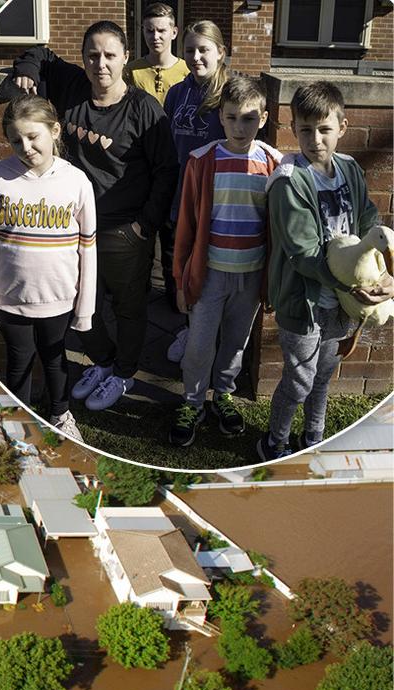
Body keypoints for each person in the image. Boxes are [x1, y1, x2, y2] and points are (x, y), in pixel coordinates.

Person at [12, 21, 178, 412]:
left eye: (109, 55)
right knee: (76, 300)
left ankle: (124, 371)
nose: (99, 63)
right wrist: (28, 72)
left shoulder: (143, 109)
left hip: (124, 230)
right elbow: (41, 53)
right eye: (92, 54)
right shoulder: (72, 88)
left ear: (124, 59)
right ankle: (103, 362)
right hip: (71, 228)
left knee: (128, 306)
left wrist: (144, 225)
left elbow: (167, 169)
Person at [259, 81, 394, 461]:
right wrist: (351, 286)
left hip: (342, 303)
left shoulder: (350, 170)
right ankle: (275, 442)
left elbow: (369, 221)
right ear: (293, 127)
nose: (315, 139)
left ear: (343, 127)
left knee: (324, 374)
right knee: (300, 380)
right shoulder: (289, 181)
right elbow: (303, 253)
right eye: (305, 129)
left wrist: (382, 276)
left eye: (324, 129)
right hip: (305, 303)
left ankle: (313, 436)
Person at [0, 95, 97, 442]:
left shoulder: (77, 182)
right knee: (18, 362)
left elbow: (88, 250)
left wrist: (85, 310)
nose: (25, 147)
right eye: (15, 140)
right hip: (10, 301)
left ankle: (60, 413)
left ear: (54, 131)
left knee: (56, 360)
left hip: (58, 299)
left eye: (33, 136)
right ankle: (17, 425)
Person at [169, 75, 281, 447]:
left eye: (248, 119)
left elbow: (279, 231)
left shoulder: (274, 165)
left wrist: (273, 283)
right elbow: (185, 225)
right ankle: (192, 402)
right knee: (200, 344)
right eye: (232, 117)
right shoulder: (201, 161)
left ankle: (225, 394)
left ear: (263, 119)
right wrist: (181, 278)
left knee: (236, 341)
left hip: (250, 276)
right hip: (210, 274)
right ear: (220, 116)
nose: (239, 126)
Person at [162, 20, 232, 326]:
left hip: (218, 198)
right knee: (181, 264)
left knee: (211, 270)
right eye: (189, 50)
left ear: (220, 52)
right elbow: (167, 145)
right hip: (181, 192)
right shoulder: (177, 93)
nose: (196, 57)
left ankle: (206, 333)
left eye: (204, 49)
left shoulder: (230, 94)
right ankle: (185, 329)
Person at [124, 3, 188, 107]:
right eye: (150, 31)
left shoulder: (187, 71)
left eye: (161, 31)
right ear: (143, 31)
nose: (155, 37)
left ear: (174, 33)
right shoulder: (130, 71)